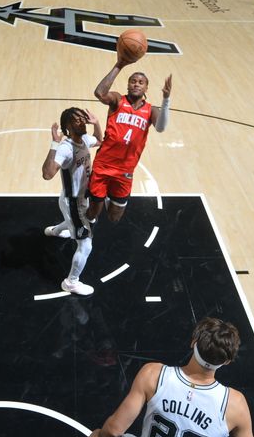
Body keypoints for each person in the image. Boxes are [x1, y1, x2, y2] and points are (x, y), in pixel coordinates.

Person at [86, 317, 254, 437]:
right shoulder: (236, 404)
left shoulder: (154, 374)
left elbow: (115, 429)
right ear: (227, 361)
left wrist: (99, 434)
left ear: (193, 343)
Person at [87, 59, 172, 224]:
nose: (136, 84)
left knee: (114, 217)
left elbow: (160, 128)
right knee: (92, 213)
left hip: (125, 171)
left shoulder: (151, 110)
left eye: (141, 82)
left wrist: (166, 99)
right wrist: (118, 66)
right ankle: (78, 228)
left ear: (146, 88)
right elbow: (100, 94)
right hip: (103, 166)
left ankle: (104, 197)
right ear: (128, 85)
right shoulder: (118, 100)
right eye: (133, 81)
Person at [41, 107, 102, 295]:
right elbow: (47, 174)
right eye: (77, 120)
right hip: (73, 203)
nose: (82, 122)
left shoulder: (83, 139)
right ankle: (71, 282)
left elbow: (100, 140)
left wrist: (97, 123)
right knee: (86, 245)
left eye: (82, 119)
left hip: (83, 199)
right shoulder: (65, 148)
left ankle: (56, 231)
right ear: (67, 126)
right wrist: (54, 143)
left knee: (84, 223)